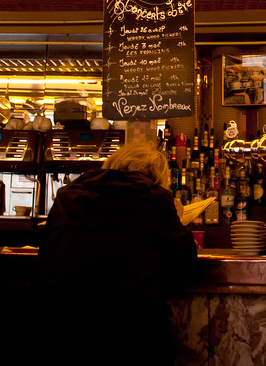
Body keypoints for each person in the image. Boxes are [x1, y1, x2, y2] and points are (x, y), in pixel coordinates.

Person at [39, 139, 198, 364]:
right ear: (156, 176)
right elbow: (185, 262)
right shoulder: (154, 199)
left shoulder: (67, 195)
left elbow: (46, 253)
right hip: (131, 334)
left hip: (62, 329)